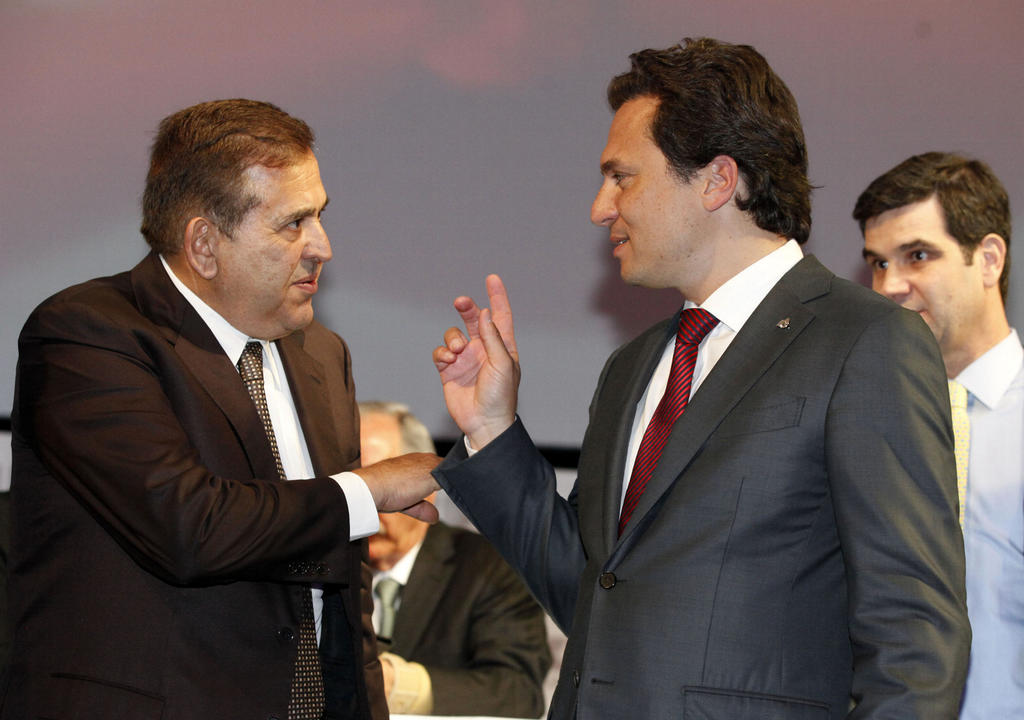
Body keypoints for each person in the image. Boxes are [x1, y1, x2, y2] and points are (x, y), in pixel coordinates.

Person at [429, 38, 970, 718]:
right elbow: (594, 593)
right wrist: (491, 428)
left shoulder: (865, 341)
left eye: (622, 177)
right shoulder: (632, 368)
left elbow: (915, 641)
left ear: (717, 180)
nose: (600, 207)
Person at [5, 99, 436, 720]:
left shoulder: (321, 353)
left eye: (320, 215)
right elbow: (189, 528)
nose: (323, 246)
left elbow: (345, 586)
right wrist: (368, 490)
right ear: (204, 244)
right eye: (293, 223)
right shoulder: (89, 334)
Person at [855, 152, 1023, 719]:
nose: (890, 286)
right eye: (878, 263)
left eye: (917, 256)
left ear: (989, 259)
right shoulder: (861, 424)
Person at [359, 401, 550, 717]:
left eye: (379, 486)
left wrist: (397, 685)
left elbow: (517, 692)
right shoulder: (312, 566)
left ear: (423, 486)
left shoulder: (489, 567)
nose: (363, 506)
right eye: (352, 488)